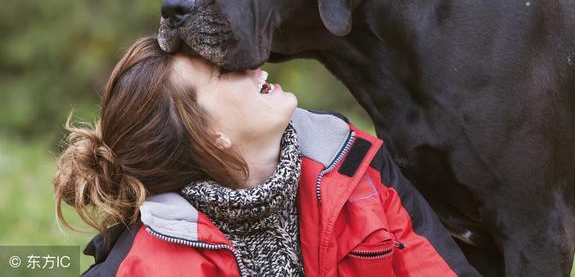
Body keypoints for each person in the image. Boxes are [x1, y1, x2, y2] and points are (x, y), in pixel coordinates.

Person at [53, 36, 478, 277]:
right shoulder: (141, 268)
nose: (255, 64)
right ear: (208, 133)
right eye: (224, 72)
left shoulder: (357, 166)